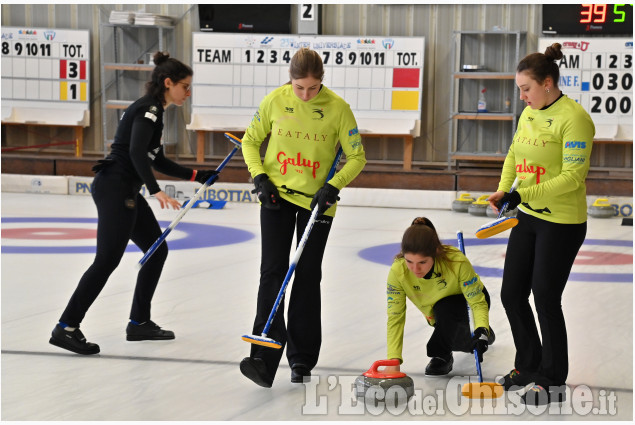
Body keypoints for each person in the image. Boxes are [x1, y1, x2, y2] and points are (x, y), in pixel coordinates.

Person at [49, 52, 220, 355]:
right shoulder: (149, 109)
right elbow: (136, 153)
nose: (188, 92)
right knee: (106, 261)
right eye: (185, 86)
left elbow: (156, 158)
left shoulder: (155, 110)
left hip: (123, 188)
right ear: (168, 83)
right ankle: (66, 327)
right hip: (116, 188)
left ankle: (139, 322)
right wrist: (155, 191)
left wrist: (196, 174)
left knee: (156, 250)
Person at [239, 47, 366, 387]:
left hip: (317, 205)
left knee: (307, 277)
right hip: (276, 198)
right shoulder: (274, 101)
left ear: (321, 81)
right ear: (290, 80)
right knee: (272, 273)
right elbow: (250, 142)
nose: (306, 94)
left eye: (312, 88)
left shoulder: (338, 109)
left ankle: (302, 360)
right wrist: (259, 177)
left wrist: (334, 186)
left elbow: (357, 157)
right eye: (299, 88)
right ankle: (263, 360)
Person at [486, 43, 595, 406]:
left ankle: (552, 379)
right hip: (528, 217)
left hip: (562, 222)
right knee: (512, 294)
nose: (522, 97)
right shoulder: (529, 115)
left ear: (548, 83)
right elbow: (514, 155)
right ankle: (527, 365)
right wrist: (504, 190)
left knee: (546, 298)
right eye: (520, 89)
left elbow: (572, 177)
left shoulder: (574, 118)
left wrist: (523, 195)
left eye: (526, 89)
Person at [382, 217, 495, 377]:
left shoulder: (456, 261)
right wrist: (393, 360)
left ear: (435, 253)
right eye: (409, 261)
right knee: (459, 339)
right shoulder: (398, 272)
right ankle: (480, 335)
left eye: (422, 262)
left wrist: (481, 327)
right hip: (438, 316)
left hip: (469, 302)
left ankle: (442, 355)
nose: (415, 269)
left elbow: (477, 302)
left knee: (446, 308)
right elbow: (395, 317)